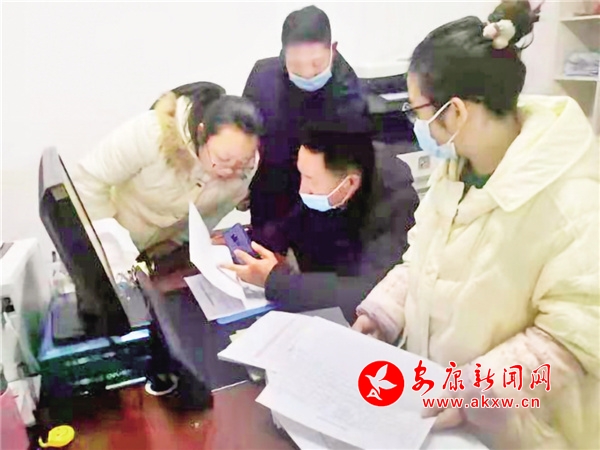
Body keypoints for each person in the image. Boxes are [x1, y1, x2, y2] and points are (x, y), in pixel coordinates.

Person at [352, 1, 599, 449]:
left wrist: (473, 391)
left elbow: (571, 343)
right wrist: (383, 314)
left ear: (456, 112)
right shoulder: (456, 170)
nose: (416, 124)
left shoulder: (572, 200)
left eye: (417, 110)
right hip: (440, 412)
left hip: (515, 433)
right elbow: (423, 259)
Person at [222, 127, 419, 321]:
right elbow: (293, 222)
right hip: (318, 295)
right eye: (301, 174)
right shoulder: (321, 170)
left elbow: (370, 292)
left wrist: (275, 281)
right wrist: (254, 241)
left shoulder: (396, 201)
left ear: (350, 184)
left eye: (309, 179)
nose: (302, 188)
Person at [71, 82, 263, 257]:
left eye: (241, 163)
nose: (229, 172)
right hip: (99, 239)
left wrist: (175, 243)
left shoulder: (245, 172)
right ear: (201, 133)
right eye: (222, 159)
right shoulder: (152, 133)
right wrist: (109, 243)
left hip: (146, 256)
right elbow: (88, 179)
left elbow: (209, 216)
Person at [242, 5, 372, 242]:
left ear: (333, 48)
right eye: (296, 65)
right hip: (267, 198)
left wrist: (281, 233)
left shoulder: (349, 101)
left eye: (315, 64)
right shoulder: (263, 77)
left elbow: (341, 179)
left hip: (319, 208)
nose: (307, 73)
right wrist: (241, 187)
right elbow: (247, 139)